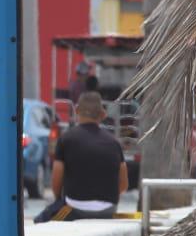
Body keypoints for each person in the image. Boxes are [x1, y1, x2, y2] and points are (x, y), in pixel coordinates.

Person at [35, 91, 128, 222]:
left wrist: (58, 200)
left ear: (77, 110)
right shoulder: (114, 143)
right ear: (103, 115)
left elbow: (56, 181)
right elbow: (124, 184)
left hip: (73, 209)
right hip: (108, 210)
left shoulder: (66, 139)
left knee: (40, 220)